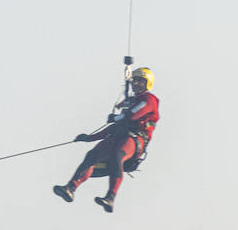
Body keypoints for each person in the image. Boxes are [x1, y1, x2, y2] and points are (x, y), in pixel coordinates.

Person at [53, 66, 160, 213]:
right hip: (118, 136)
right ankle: (70, 188)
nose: (136, 84)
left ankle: (110, 197)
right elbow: (115, 126)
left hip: (135, 139)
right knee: (91, 156)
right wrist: (90, 137)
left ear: (147, 83)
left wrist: (118, 117)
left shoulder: (150, 99)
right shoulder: (129, 103)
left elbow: (134, 115)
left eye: (140, 81)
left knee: (118, 155)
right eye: (134, 81)